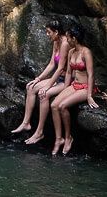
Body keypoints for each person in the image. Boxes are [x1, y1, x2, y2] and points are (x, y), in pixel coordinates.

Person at [10, 22, 71, 141]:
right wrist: (38, 79)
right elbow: (52, 64)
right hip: (57, 78)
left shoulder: (65, 44)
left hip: (66, 80)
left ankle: (39, 132)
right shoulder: (56, 42)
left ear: (56, 32)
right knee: (31, 87)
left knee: (43, 94)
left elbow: (60, 68)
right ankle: (26, 123)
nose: (47, 34)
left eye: (49, 32)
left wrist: (48, 86)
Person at [50, 23, 98, 156]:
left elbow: (91, 74)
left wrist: (89, 95)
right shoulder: (71, 52)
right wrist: (64, 90)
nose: (67, 40)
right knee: (54, 105)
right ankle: (58, 139)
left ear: (74, 38)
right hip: (74, 85)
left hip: (85, 87)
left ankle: (68, 137)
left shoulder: (86, 52)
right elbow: (69, 73)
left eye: (68, 38)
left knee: (63, 106)